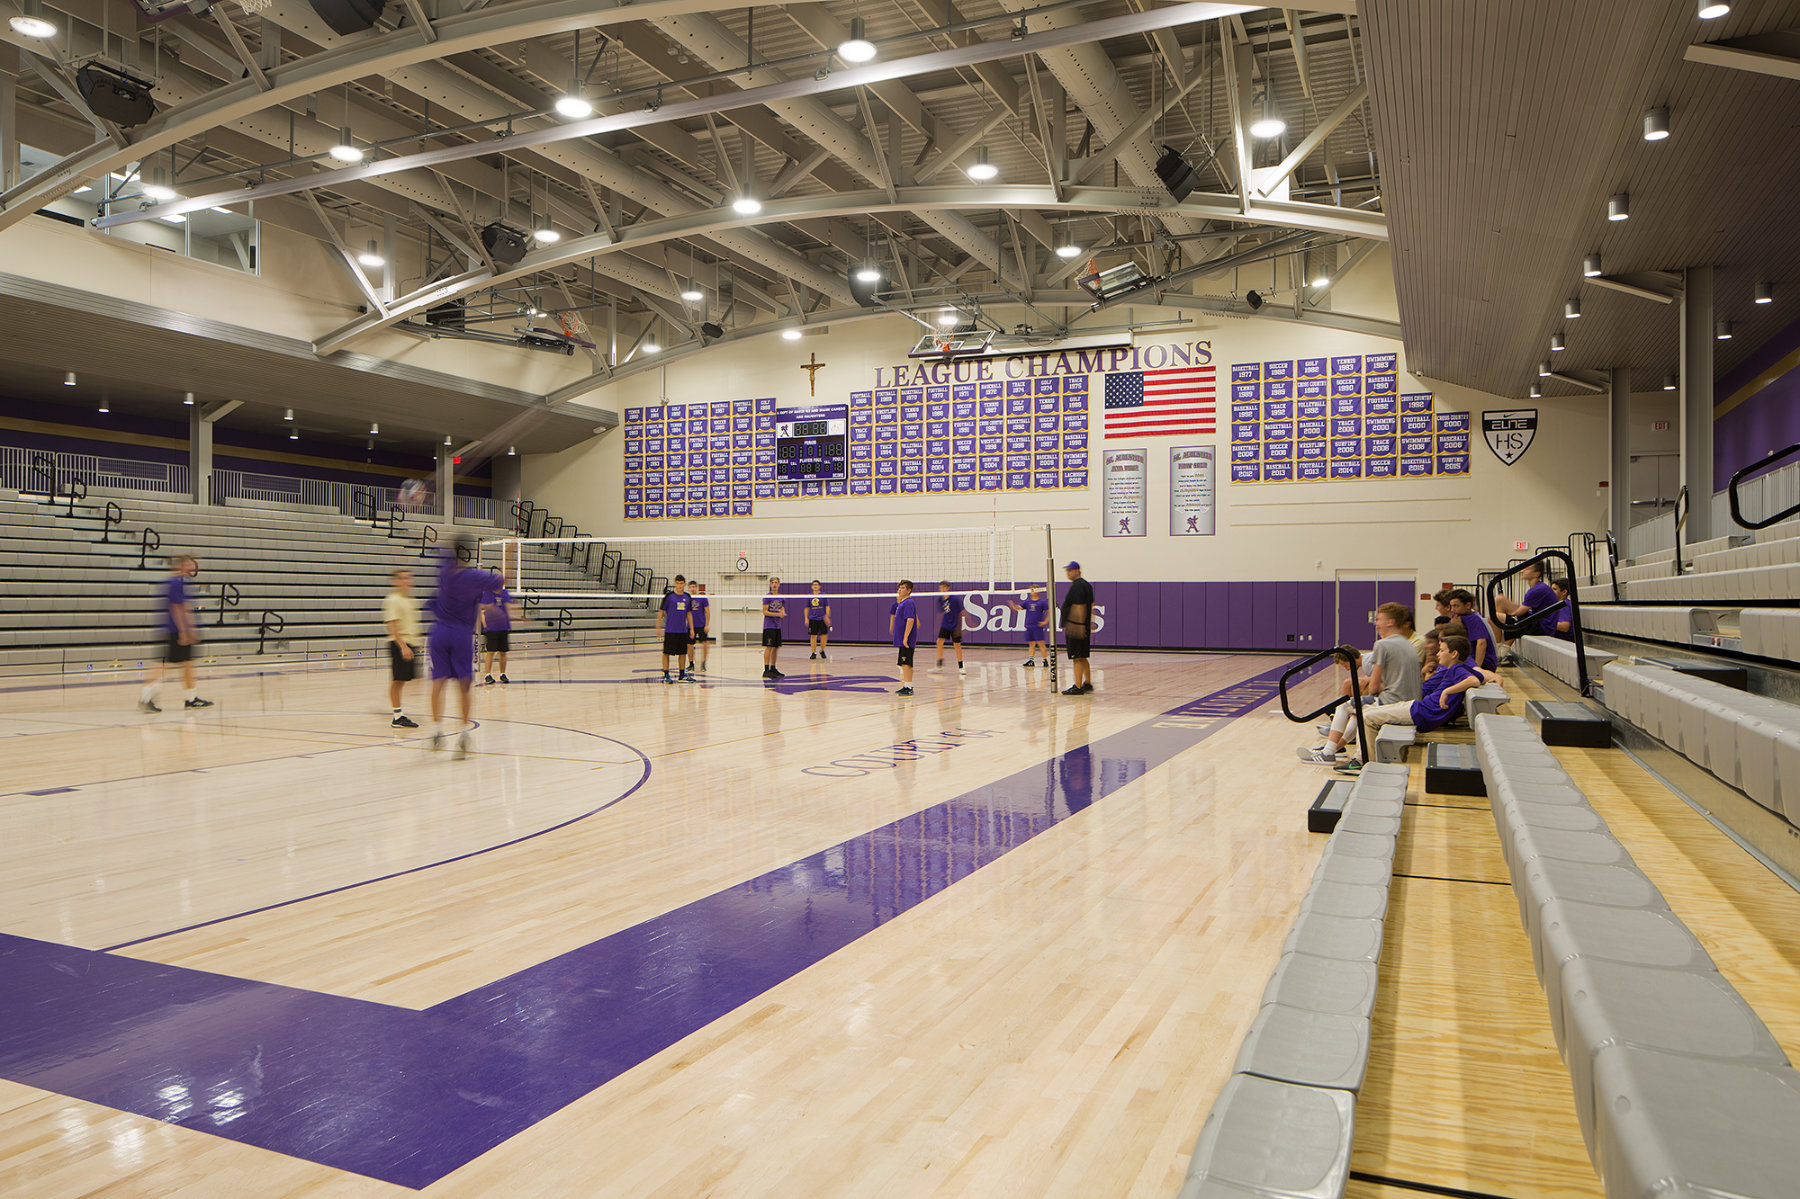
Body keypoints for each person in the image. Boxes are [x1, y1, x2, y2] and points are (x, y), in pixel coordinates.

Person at [1300, 634, 1496, 771]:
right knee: (1365, 709)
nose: (1437, 654)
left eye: (1442, 650)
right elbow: (1478, 676)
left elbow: (1476, 679)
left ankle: (1361, 760)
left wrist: (1447, 691)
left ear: (1453, 654)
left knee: (1366, 716)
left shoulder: (1456, 669)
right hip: (1417, 706)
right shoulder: (1452, 668)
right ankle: (1343, 751)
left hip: (1422, 713)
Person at [1302, 603, 1424, 761]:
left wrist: (1370, 692)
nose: (1375, 623)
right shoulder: (1408, 645)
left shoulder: (1382, 645)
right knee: (1356, 707)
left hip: (1394, 703)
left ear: (1390, 622)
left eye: (1379, 619)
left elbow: (1373, 687)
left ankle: (1329, 752)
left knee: (1346, 706)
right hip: (1411, 702)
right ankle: (1333, 749)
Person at [428, 536, 505, 758]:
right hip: (461, 634)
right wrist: (509, 556)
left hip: (439, 632)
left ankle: (436, 733)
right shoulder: (475, 576)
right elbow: (500, 582)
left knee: (437, 682)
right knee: (463, 685)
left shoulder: (444, 572)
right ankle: (463, 735)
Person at [139, 553, 211, 713]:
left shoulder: (177, 582)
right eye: (191, 565)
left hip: (175, 629)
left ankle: (191, 698)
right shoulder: (176, 582)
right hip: (176, 630)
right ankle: (146, 698)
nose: (194, 568)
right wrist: (185, 632)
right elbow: (178, 608)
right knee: (165, 666)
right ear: (182, 565)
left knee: (187, 664)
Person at [383, 568, 420, 728]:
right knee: (397, 680)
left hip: (410, 642)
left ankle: (398, 712)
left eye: (409, 578)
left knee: (404, 680)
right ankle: (397, 716)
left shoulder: (410, 600)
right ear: (396, 581)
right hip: (400, 643)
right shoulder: (393, 600)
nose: (407, 581)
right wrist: (403, 646)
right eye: (404, 578)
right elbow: (392, 625)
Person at [1060, 561, 1095, 696]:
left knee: (1077, 658)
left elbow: (1079, 606)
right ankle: (1087, 683)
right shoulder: (1086, 585)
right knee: (1083, 656)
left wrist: (1078, 625)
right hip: (1082, 626)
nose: (1068, 573)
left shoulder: (1078, 586)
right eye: (1067, 571)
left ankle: (1078, 686)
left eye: (1070, 570)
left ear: (1077, 571)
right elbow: (1091, 604)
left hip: (1076, 627)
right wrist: (1088, 624)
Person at [1446, 589, 1499, 672]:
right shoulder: (1456, 618)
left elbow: (1482, 643)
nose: (1452, 609)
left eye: (1456, 606)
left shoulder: (1474, 619)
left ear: (1467, 605)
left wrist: (1476, 669)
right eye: (1451, 606)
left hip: (1482, 665)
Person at [479, 574, 518, 685]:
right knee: (490, 651)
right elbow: (488, 607)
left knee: (503, 652)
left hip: (503, 626)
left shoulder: (505, 593)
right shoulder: (488, 593)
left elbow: (508, 607)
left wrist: (514, 615)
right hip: (492, 627)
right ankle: (487, 674)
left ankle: (502, 674)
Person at [659, 575, 696, 683]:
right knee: (666, 653)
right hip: (670, 630)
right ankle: (666, 675)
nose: (680, 585)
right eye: (678, 583)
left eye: (682, 583)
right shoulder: (669, 596)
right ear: (675, 584)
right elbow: (661, 611)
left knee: (682, 653)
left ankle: (681, 675)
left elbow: (689, 614)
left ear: (684, 584)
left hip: (682, 630)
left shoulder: (687, 597)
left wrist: (692, 629)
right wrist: (658, 626)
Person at [1008, 585, 1050, 667]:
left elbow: (1050, 612)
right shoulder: (1027, 602)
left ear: (1038, 591)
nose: (1032, 592)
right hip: (1029, 626)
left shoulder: (1042, 602)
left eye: (1033, 590)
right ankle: (1031, 661)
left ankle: (1045, 660)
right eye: (1031, 590)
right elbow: (1018, 608)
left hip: (1037, 626)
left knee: (1041, 643)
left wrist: (1045, 621)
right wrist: (1013, 606)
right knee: (1031, 644)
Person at [890, 579, 918, 696]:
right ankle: (906, 685)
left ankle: (909, 687)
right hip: (902, 639)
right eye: (899, 588)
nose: (899, 590)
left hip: (907, 639)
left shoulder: (908, 603)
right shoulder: (902, 602)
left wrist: (906, 637)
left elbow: (910, 620)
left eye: (902, 588)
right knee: (904, 663)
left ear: (908, 590)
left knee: (907, 663)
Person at [934, 581, 966, 672]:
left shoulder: (955, 599)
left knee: (957, 645)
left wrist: (958, 627)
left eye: (944, 587)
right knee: (939, 642)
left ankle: (961, 667)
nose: (942, 589)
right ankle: (940, 665)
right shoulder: (939, 599)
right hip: (945, 624)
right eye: (940, 587)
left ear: (948, 588)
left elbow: (960, 613)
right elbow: (941, 613)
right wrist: (937, 625)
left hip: (955, 624)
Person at [761, 577, 787, 680]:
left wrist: (782, 613)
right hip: (769, 626)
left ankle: (773, 668)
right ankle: (766, 670)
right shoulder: (767, 597)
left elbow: (782, 609)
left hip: (777, 626)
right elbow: (765, 612)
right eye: (772, 583)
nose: (774, 584)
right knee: (769, 647)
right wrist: (777, 614)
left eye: (776, 582)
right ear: (770, 585)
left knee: (776, 647)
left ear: (779, 584)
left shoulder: (782, 597)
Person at [687, 582, 711, 673]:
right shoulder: (687, 598)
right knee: (690, 645)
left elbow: (708, 612)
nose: (692, 589)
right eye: (691, 587)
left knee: (705, 644)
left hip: (701, 625)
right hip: (690, 626)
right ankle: (691, 664)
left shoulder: (702, 598)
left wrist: (707, 625)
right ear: (688, 588)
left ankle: (703, 663)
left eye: (694, 587)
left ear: (696, 588)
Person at [805, 581, 831, 660]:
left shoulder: (823, 595)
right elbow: (806, 608)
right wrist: (806, 618)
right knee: (813, 635)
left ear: (819, 586)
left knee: (824, 635)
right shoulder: (809, 596)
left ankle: (822, 650)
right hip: (813, 619)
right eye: (814, 585)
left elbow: (827, 606)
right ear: (811, 586)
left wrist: (827, 616)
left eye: (816, 585)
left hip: (822, 618)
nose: (815, 586)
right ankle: (813, 652)